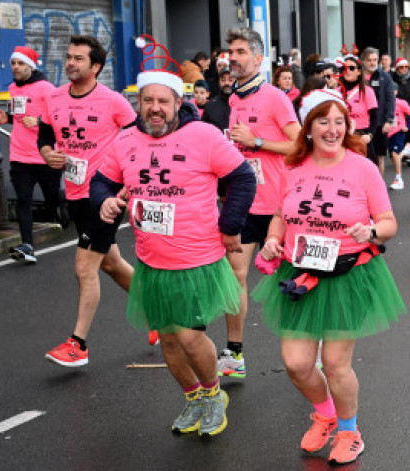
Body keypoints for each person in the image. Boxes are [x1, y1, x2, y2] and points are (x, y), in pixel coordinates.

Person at [92, 52, 256, 436]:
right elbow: (100, 179)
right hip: (151, 260)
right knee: (167, 340)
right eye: (147, 100)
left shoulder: (203, 135)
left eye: (163, 101)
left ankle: (215, 396)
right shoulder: (126, 139)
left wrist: (230, 226)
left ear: (177, 102)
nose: (155, 109)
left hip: (197, 258)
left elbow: (243, 178)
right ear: (139, 103)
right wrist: (105, 199)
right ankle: (194, 398)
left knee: (187, 334)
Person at [252, 90, 406, 465]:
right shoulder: (293, 168)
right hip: (298, 273)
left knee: (336, 364)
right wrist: (273, 240)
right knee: (296, 363)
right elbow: (280, 215)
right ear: (308, 128)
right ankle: (326, 413)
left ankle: (349, 431)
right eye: (323, 121)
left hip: (347, 275)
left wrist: (369, 232)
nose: (333, 129)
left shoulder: (362, 168)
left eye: (340, 121)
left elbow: (389, 224)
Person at [38, 35, 139, 366]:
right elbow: (45, 135)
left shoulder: (113, 102)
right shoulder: (53, 97)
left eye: (79, 59)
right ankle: (159, 313)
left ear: (96, 66)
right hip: (75, 192)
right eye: (68, 57)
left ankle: (78, 344)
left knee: (84, 267)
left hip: (104, 195)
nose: (70, 63)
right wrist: (48, 153)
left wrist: (126, 185)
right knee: (110, 263)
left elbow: (138, 140)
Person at [222, 26, 302, 377]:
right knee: (233, 276)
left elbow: (299, 144)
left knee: (292, 280)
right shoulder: (233, 98)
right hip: (244, 201)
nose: (233, 58)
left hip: (277, 205)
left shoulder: (274, 97)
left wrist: (256, 141)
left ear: (258, 58)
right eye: (231, 52)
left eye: (240, 52)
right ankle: (235, 354)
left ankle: (307, 347)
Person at [0, 46, 58, 264]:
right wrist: (8, 119)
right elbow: (21, 115)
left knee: (53, 199)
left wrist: (39, 121)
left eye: (20, 64)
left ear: (30, 66)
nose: (16, 67)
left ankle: (62, 211)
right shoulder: (13, 88)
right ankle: (27, 246)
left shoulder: (46, 88)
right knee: (23, 201)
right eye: (13, 63)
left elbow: (59, 116)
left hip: (45, 154)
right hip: (20, 155)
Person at [361, 47, 396, 173]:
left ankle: (378, 186)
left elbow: (391, 99)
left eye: (375, 59)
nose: (372, 63)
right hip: (362, 125)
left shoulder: (385, 77)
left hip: (380, 123)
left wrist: (389, 120)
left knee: (379, 157)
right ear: (363, 61)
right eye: (369, 60)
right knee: (363, 158)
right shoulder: (358, 77)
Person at [339, 55, 379, 164]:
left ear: (359, 72)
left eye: (351, 68)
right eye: (344, 68)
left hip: (361, 136)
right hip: (342, 137)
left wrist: (369, 135)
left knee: (369, 170)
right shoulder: (336, 91)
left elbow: (375, 117)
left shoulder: (366, 91)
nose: (347, 71)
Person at [386, 89, 410, 190]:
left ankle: (399, 179)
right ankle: (407, 149)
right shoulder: (383, 102)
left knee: (395, 154)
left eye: (392, 90)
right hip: (387, 133)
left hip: (398, 131)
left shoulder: (400, 103)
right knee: (392, 157)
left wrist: (407, 126)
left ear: (396, 92)